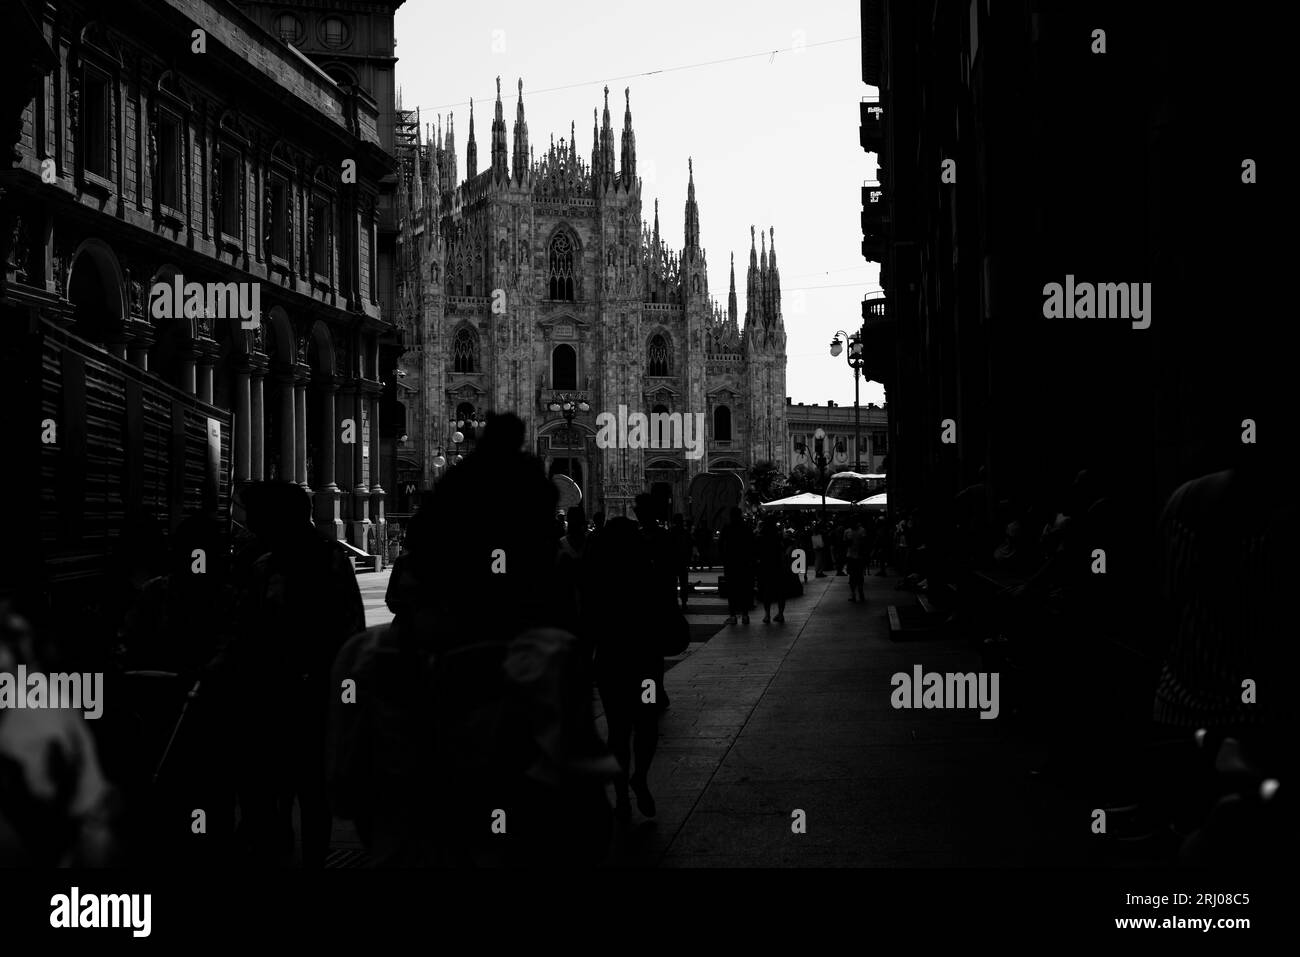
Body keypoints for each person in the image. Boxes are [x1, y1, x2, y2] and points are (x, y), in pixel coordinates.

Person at [230, 480, 365, 868]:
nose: (249, 520)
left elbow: (244, 635)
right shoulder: (299, 561)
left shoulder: (278, 564)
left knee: (292, 788)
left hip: (292, 697)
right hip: (291, 697)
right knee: (298, 791)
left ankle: (293, 854)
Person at [719, 507, 755, 626]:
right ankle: (745, 615)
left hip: (731, 562)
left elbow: (720, 544)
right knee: (744, 588)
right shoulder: (746, 528)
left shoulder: (727, 528)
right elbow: (751, 544)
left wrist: (724, 557)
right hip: (744, 562)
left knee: (732, 590)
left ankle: (733, 615)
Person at [756, 519, 789, 624]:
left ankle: (767, 615)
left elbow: (757, 552)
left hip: (766, 566)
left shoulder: (761, 537)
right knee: (780, 592)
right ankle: (780, 614)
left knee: (766, 592)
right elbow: (783, 549)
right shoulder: (778, 536)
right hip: (778, 566)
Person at [669, 513, 693, 611]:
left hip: (674, 561)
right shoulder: (685, 533)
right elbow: (689, 547)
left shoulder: (671, 533)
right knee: (683, 583)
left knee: (673, 583)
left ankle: (675, 602)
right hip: (682, 560)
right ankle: (683, 602)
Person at [846, 516, 868, 602]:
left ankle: (856, 592)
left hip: (856, 556)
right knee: (855, 575)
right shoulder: (859, 531)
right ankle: (857, 592)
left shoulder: (851, 531)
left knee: (856, 575)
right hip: (853, 556)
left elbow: (864, 543)